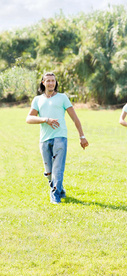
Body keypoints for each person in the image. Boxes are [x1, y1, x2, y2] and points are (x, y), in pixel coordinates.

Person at [26, 72, 89, 204]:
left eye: (53, 81)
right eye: (48, 81)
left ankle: (55, 195)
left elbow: (74, 118)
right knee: (49, 172)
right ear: (43, 82)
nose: (51, 83)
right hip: (44, 139)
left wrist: (82, 136)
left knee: (58, 168)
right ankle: (59, 190)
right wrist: (46, 120)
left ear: (55, 82)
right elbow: (29, 119)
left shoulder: (62, 97)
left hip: (60, 137)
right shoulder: (37, 99)